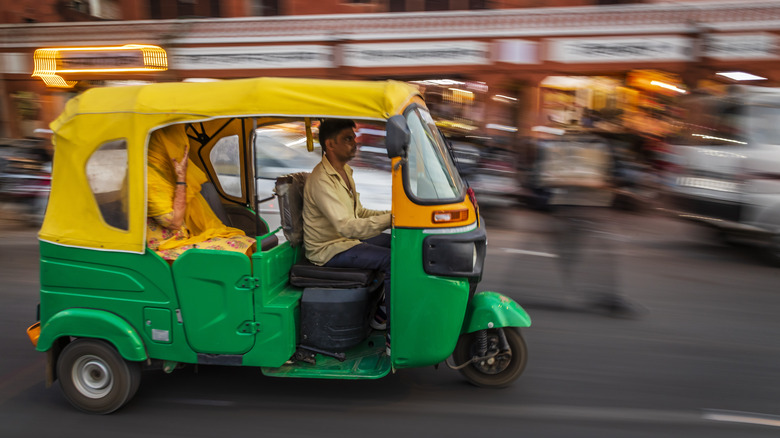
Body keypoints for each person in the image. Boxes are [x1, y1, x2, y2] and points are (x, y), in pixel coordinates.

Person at [302, 119, 392, 354]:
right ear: (330, 144)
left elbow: (359, 213)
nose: (355, 144)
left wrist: (396, 215)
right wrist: (390, 220)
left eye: (354, 138)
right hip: (329, 249)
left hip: (346, 242)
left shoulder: (344, 172)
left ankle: (380, 312)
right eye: (348, 139)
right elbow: (348, 226)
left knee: (399, 245)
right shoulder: (322, 180)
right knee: (392, 260)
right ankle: (390, 325)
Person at [146, 124, 256, 261]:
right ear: (164, 148)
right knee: (236, 253)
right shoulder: (149, 178)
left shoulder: (164, 172)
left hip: (181, 239)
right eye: (178, 147)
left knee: (241, 241)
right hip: (162, 249)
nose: (182, 152)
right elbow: (174, 222)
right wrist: (181, 178)